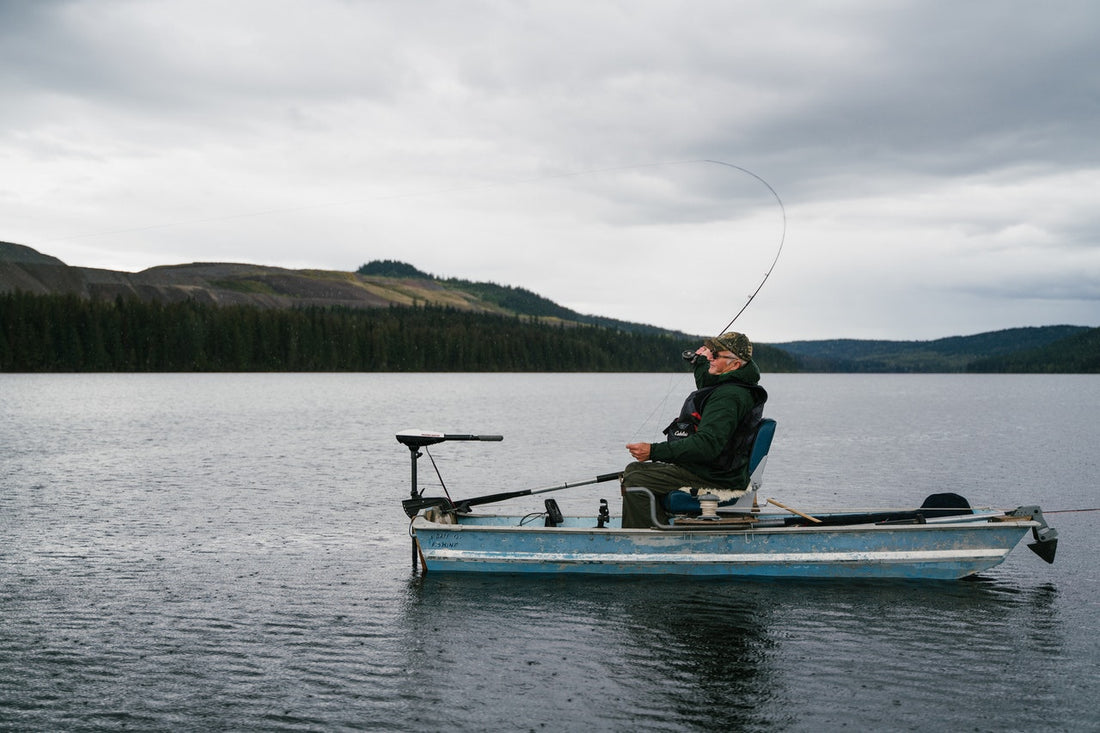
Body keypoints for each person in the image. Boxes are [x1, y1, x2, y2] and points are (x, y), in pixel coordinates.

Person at [621, 331, 767, 528]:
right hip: (717, 469)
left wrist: (654, 451)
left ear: (734, 364)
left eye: (715, 355)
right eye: (710, 352)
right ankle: (659, 526)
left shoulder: (729, 397)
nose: (710, 358)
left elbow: (706, 446)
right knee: (633, 471)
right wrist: (699, 363)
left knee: (637, 477)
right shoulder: (734, 384)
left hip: (715, 476)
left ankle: (644, 541)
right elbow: (708, 386)